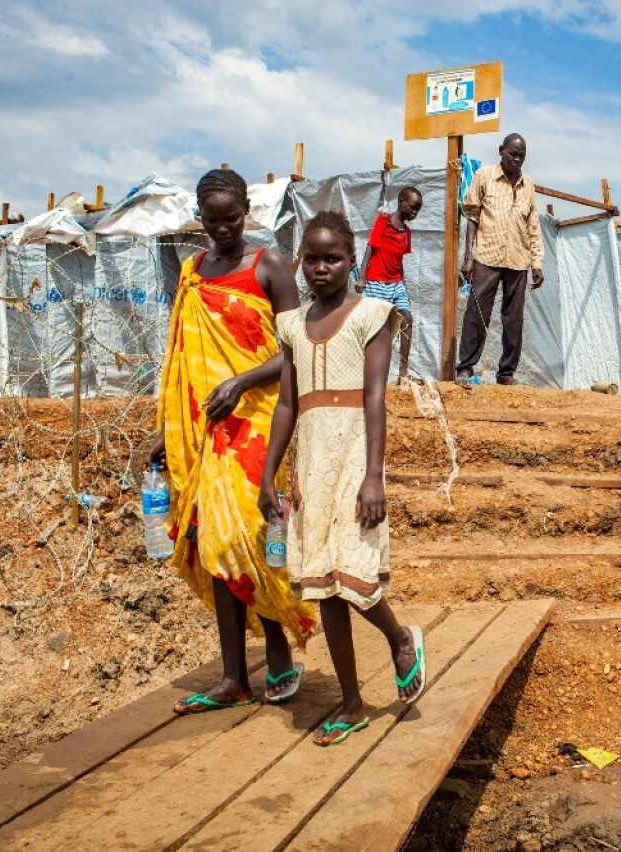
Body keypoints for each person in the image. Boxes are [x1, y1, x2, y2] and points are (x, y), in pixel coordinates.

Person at [148, 168, 316, 714]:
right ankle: (232, 676)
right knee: (213, 540)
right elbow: (180, 360)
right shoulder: (193, 271)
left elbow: (296, 348)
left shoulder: (267, 265)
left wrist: (242, 380)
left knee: (247, 535)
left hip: (259, 420)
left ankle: (278, 652)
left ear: (248, 210)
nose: (222, 229)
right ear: (201, 218)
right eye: (212, 220)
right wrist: (167, 433)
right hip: (204, 428)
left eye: (232, 218)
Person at [260, 210, 426, 747]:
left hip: (355, 455)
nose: (320, 268)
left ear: (353, 261)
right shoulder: (292, 325)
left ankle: (400, 638)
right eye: (311, 259)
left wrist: (374, 475)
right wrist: (269, 476)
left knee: (354, 574)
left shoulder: (371, 314)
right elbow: (287, 403)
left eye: (332, 258)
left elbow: (375, 396)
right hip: (312, 463)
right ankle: (352, 702)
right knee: (324, 584)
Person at [455, 133, 543, 387]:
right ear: (501, 151)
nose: (516, 159)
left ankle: (506, 373)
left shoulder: (529, 185)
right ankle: (465, 368)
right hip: (487, 256)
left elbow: (533, 226)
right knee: (476, 312)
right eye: (512, 153)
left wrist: (536, 262)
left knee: (513, 319)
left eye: (521, 155)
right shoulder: (484, 176)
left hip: (518, 259)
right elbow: (472, 216)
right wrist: (469, 256)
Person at [356, 186, 422, 382]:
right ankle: (367, 372)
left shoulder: (406, 233)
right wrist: (362, 277)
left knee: (407, 319)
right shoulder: (383, 222)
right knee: (375, 327)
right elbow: (370, 249)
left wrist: (403, 285)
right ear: (401, 202)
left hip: (395, 283)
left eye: (418, 209)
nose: (415, 212)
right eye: (412, 207)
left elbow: (399, 261)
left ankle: (403, 371)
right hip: (376, 280)